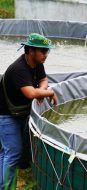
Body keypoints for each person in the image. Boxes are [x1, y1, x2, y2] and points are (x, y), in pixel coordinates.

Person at [0, 33, 58, 189]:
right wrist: (49, 93)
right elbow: (31, 93)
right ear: (30, 51)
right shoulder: (19, 69)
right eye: (43, 51)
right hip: (6, 115)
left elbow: (43, 80)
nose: (46, 54)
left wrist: (42, 89)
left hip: (20, 113)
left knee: (7, 152)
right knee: (13, 154)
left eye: (47, 51)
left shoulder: (37, 63)